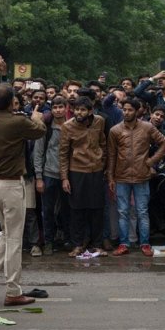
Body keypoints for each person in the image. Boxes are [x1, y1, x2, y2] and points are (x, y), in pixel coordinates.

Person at [0, 83, 46, 306]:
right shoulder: (18, 122)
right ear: (12, 102)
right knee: (14, 238)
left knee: (6, 232)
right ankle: (13, 291)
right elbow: (40, 131)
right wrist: (36, 117)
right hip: (11, 185)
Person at [108, 98, 165, 257]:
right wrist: (110, 177)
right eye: (124, 109)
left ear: (137, 111)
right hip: (121, 176)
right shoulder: (115, 130)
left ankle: (145, 243)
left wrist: (151, 161)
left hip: (142, 175)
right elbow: (112, 155)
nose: (126, 112)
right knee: (123, 211)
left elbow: (164, 143)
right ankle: (124, 243)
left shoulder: (147, 127)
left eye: (130, 110)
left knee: (142, 211)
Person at [59, 96, 108, 257]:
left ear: (90, 111)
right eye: (76, 109)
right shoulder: (67, 126)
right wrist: (64, 178)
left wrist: (104, 163)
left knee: (97, 209)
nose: (78, 113)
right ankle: (78, 245)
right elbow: (63, 153)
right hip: (76, 171)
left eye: (82, 110)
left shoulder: (99, 121)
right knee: (77, 210)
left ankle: (97, 245)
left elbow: (103, 143)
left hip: (96, 170)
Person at [34, 96, 71, 256]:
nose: (58, 110)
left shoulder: (72, 126)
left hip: (68, 175)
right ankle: (48, 242)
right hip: (49, 174)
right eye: (55, 107)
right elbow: (38, 153)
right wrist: (39, 177)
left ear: (65, 108)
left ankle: (69, 239)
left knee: (68, 210)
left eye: (61, 107)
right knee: (47, 210)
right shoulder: (45, 128)